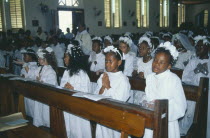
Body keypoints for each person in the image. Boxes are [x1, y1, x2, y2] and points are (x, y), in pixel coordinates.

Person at [142, 42, 187, 138]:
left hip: (167, 124)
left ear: (169, 66)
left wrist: (161, 110)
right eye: (155, 60)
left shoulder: (174, 79)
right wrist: (145, 102)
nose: (156, 64)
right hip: (151, 120)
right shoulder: (150, 77)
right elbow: (147, 95)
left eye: (161, 62)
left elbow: (181, 108)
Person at [94, 45, 130, 138]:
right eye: (106, 61)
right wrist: (102, 88)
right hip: (102, 112)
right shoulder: (104, 75)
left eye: (110, 61)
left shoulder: (123, 80)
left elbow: (120, 100)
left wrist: (108, 86)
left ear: (119, 62)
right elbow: (95, 94)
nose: (107, 64)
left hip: (116, 116)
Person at [60, 43, 92, 138]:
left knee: (78, 129)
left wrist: (74, 89)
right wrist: (64, 87)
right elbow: (62, 84)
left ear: (72, 58)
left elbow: (87, 91)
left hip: (78, 107)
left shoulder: (82, 73)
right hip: (68, 104)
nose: (64, 59)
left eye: (66, 57)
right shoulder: (66, 71)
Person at [181, 36, 210, 136]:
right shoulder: (193, 61)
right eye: (197, 47)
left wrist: (205, 71)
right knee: (190, 114)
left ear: (207, 47)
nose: (198, 49)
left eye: (201, 46)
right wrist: (196, 70)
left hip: (208, 94)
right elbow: (184, 78)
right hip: (194, 94)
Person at [33, 47, 58, 127]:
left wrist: (41, 80)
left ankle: (48, 124)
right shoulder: (40, 68)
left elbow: (52, 84)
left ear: (45, 59)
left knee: (46, 112)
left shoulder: (51, 71)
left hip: (48, 95)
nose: (38, 60)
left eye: (40, 59)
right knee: (39, 110)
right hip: (40, 93)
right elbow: (35, 76)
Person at [18, 49, 38, 118]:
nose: (24, 57)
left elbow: (32, 76)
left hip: (31, 89)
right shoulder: (26, 65)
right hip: (25, 88)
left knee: (32, 106)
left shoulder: (35, 66)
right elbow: (23, 73)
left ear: (31, 57)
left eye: (25, 56)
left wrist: (24, 75)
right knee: (27, 106)